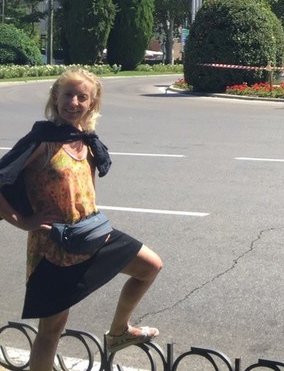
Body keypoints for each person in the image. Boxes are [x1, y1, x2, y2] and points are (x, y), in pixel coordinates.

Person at [0, 69, 163, 369]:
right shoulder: (41, 141)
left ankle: (118, 333)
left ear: (92, 103)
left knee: (150, 266)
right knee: (50, 332)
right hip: (54, 249)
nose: (73, 102)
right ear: (55, 98)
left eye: (82, 97)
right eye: (67, 95)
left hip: (92, 235)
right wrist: (24, 222)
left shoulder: (86, 140)